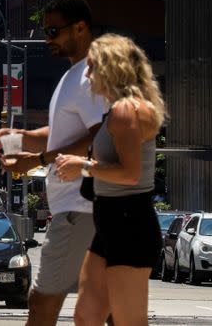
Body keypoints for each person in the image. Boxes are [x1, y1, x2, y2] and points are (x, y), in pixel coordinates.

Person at [0, 0, 106, 326]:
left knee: (42, 303)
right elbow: (65, 132)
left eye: (54, 31)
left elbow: (100, 135)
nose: (47, 39)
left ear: (80, 28)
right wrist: (22, 138)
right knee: (105, 306)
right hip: (84, 209)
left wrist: (36, 159)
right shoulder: (74, 76)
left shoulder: (89, 77)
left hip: (77, 208)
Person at [56, 34, 165, 326]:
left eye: (91, 67)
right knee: (86, 316)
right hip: (111, 221)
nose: (87, 75)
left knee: (129, 322)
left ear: (110, 67)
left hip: (130, 223)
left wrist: (84, 166)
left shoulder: (126, 111)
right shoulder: (118, 110)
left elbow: (130, 174)